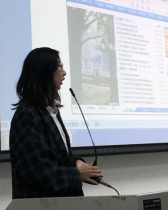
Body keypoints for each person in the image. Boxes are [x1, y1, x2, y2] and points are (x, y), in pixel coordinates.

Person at [10, 47, 103, 199]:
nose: (64, 72)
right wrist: (77, 174)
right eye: (60, 67)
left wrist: (77, 162)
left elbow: (56, 156)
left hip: (63, 206)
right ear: (44, 72)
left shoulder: (51, 111)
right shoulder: (27, 115)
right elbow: (38, 170)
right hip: (42, 208)